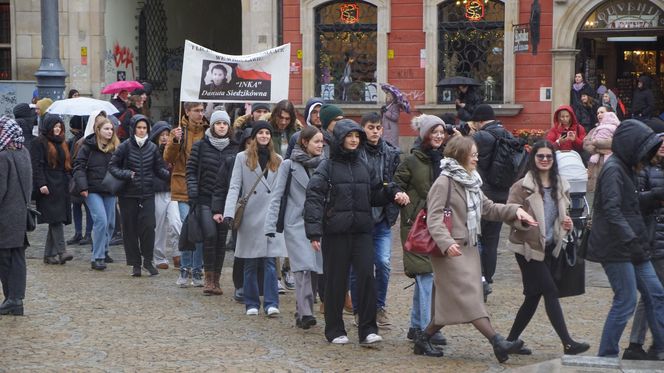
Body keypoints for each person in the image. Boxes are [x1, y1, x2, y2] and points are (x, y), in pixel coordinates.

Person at [415, 135, 536, 361]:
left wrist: (515, 211)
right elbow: (433, 219)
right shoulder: (443, 183)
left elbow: (488, 208)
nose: (476, 158)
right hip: (450, 252)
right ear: (460, 155)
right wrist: (447, 243)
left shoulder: (470, 180)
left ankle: (423, 338)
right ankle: (497, 342)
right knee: (470, 298)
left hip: (468, 249)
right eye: (473, 154)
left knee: (455, 300)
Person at [304, 119, 410, 345]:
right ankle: (334, 330)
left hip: (362, 231)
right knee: (336, 282)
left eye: (356, 136)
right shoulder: (327, 166)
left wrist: (393, 195)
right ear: (340, 139)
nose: (353, 140)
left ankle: (368, 328)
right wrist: (314, 232)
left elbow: (374, 195)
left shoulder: (364, 166)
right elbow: (314, 198)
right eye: (349, 136)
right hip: (336, 232)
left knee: (365, 278)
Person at [584, 119, 664, 358]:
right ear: (633, 147)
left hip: (633, 244)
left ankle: (661, 347)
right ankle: (607, 355)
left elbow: (630, 204)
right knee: (626, 300)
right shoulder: (614, 169)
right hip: (617, 246)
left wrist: (653, 197)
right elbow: (612, 210)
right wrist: (631, 240)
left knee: (656, 293)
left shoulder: (626, 167)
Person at [505, 140, 590, 355]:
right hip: (527, 248)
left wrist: (566, 223)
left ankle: (509, 342)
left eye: (548, 157)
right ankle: (568, 343)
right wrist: (521, 220)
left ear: (554, 160)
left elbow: (562, 214)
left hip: (551, 246)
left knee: (533, 296)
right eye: (540, 156)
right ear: (533, 159)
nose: (544, 160)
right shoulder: (521, 186)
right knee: (550, 290)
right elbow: (508, 213)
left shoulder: (561, 184)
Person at [394, 114, 450, 348]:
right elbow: (395, 184)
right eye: (434, 132)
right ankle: (427, 329)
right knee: (425, 276)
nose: (439, 135)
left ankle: (417, 326)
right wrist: (399, 194)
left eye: (441, 132)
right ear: (425, 134)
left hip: (439, 225)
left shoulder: (447, 160)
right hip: (415, 225)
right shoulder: (411, 160)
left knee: (427, 277)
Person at [223, 121, 286, 316]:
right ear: (254, 136)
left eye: (267, 132)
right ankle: (251, 303)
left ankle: (271, 303)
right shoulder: (242, 158)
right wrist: (228, 212)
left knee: (269, 262)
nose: (264, 136)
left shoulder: (278, 160)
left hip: (269, 217)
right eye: (261, 133)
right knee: (249, 262)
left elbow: (282, 192)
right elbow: (235, 186)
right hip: (249, 216)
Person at [264, 126, 325, 329]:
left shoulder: (325, 164)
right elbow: (277, 195)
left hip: (319, 222)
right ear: (305, 142)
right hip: (296, 223)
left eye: (322, 141)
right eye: (316, 141)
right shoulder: (288, 165)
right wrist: (270, 224)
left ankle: (302, 310)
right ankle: (307, 313)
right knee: (303, 267)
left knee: (316, 267)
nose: (320, 145)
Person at [349, 112, 401, 327]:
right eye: (371, 127)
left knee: (383, 262)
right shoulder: (355, 152)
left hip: (382, 218)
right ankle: (359, 309)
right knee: (358, 267)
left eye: (378, 128)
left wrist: (396, 196)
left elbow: (396, 181)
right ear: (363, 129)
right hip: (360, 218)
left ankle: (379, 306)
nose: (375, 132)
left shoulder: (390, 152)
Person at [109, 114, 170, 277]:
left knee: (149, 228)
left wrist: (172, 174)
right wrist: (126, 174)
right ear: (133, 129)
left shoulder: (152, 147)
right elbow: (112, 166)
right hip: (128, 195)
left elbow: (159, 169)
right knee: (130, 230)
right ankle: (135, 263)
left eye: (144, 128)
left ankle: (148, 261)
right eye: (139, 127)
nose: (142, 131)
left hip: (147, 193)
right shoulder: (124, 146)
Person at [187, 110, 238, 295]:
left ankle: (216, 279)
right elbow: (191, 170)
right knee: (210, 235)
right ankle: (208, 278)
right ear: (212, 126)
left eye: (224, 123)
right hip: (204, 198)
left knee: (221, 240)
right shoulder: (200, 146)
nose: (222, 126)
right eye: (218, 123)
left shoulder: (235, 147)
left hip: (226, 201)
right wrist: (193, 191)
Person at [471, 104, 517, 298]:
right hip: (502, 194)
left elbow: (463, 154)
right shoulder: (507, 134)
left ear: (480, 121)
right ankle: (488, 280)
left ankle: (479, 280)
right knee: (492, 241)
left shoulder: (481, 136)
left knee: (476, 239)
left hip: (482, 194)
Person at [627, 136, 664, 360]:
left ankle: (641, 343)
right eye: (660, 144)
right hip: (653, 238)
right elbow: (636, 201)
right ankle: (643, 344)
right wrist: (656, 197)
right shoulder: (644, 171)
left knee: (652, 294)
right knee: (654, 294)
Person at [164, 102, 208, 287]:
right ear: (187, 111)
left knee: (199, 230)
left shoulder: (208, 131)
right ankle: (185, 269)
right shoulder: (178, 131)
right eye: (196, 110)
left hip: (203, 186)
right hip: (183, 185)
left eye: (202, 110)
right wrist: (175, 141)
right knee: (186, 228)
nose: (200, 114)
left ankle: (197, 270)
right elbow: (168, 158)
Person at [72, 116, 120, 271]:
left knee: (111, 224)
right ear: (98, 130)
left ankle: (104, 250)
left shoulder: (116, 147)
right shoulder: (87, 146)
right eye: (106, 129)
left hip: (110, 189)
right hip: (92, 189)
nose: (109, 131)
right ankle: (97, 257)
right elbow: (78, 167)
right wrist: (83, 187)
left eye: (111, 129)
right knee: (101, 221)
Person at [30, 114, 74, 265]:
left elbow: (66, 165)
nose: (57, 129)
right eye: (55, 126)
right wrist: (41, 184)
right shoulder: (38, 142)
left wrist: (69, 181)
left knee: (57, 218)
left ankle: (49, 255)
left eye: (59, 127)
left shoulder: (62, 142)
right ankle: (62, 251)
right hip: (47, 186)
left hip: (61, 185)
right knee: (56, 218)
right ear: (48, 127)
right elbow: (36, 166)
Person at [0, 116, 32, 316]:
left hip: (5, 215)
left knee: (5, 259)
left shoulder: (3, 156)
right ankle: (16, 299)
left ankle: (12, 299)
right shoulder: (24, 151)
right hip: (20, 213)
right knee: (18, 257)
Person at [150, 121, 181, 270]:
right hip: (158, 191)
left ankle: (177, 253)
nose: (164, 138)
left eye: (166, 135)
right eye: (161, 135)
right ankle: (159, 257)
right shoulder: (152, 151)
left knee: (176, 223)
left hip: (172, 191)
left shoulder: (174, 149)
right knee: (159, 226)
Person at [67, 111, 93, 246]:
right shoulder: (75, 140)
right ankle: (81, 233)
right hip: (78, 175)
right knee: (77, 205)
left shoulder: (84, 141)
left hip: (83, 176)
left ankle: (86, 233)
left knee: (84, 206)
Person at [583, 109, 615, 193]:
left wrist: (597, 145)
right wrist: (599, 149)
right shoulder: (594, 130)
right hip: (595, 168)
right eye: (597, 113)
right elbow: (586, 144)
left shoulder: (616, 128)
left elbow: (616, 144)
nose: (599, 115)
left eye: (602, 112)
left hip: (609, 163)